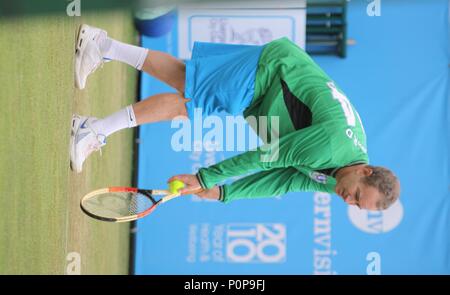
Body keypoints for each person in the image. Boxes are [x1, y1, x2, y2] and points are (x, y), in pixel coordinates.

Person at [71, 24, 400, 211]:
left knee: (187, 85)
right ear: (365, 171)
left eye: (357, 205)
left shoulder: (342, 179)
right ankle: (93, 125)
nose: (349, 200)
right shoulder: (331, 147)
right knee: (189, 97)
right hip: (273, 74)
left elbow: (285, 179)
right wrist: (206, 179)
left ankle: (101, 48)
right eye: (358, 195)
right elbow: (269, 157)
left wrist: (225, 193)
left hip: (270, 105)